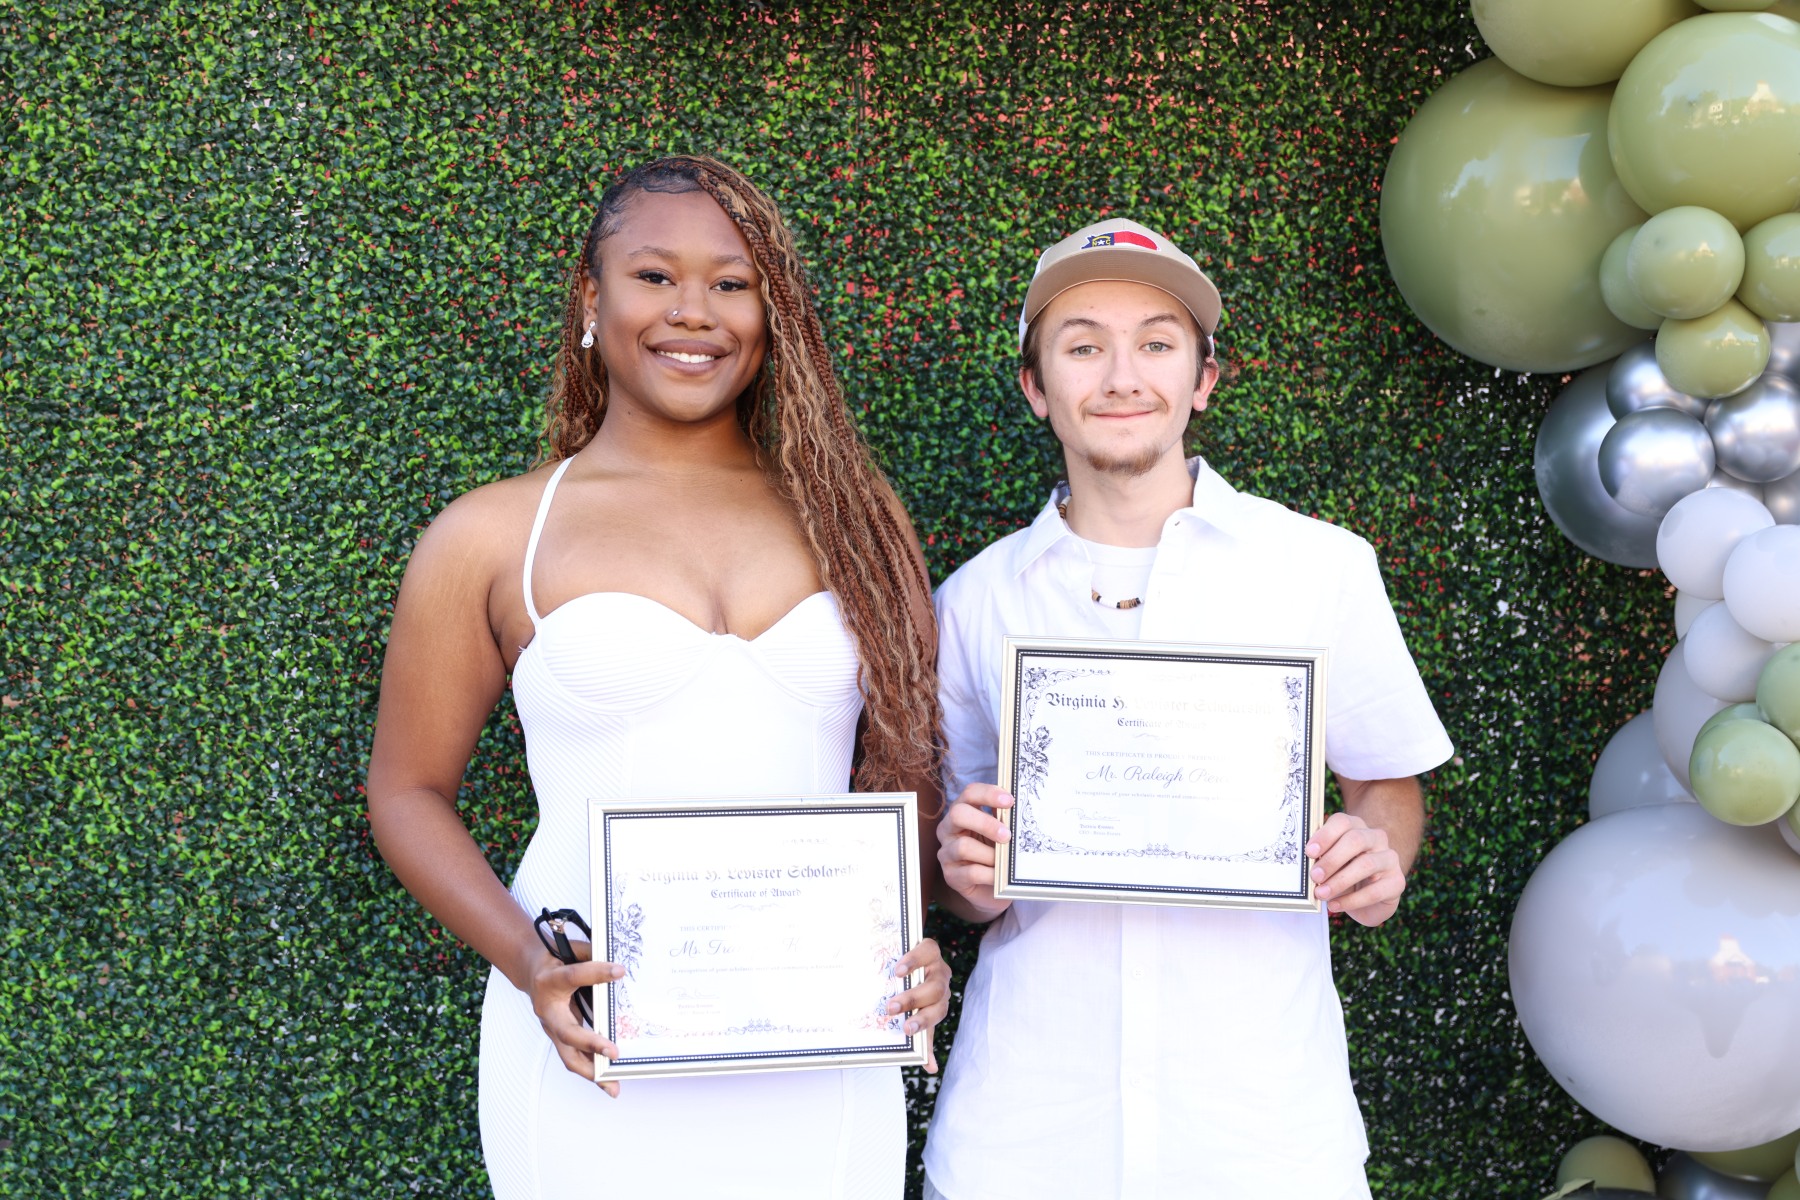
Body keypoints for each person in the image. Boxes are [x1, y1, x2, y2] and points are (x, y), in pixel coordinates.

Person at [366, 154, 951, 1200]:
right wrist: (531, 963)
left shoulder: (856, 522)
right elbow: (406, 792)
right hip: (594, 1039)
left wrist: (914, 946)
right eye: (654, 276)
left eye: (732, 283)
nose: (694, 311)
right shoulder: (496, 534)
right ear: (592, 299)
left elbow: (900, 775)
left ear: (774, 314)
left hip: (819, 1052)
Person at [922, 219, 1454, 1199]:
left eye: (1157, 344)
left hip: (1261, 1133)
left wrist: (1375, 859)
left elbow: (1387, 783)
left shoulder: (1321, 569)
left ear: (1204, 378)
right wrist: (966, 875)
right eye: (1084, 347)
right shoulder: (973, 601)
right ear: (1037, 385)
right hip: (1027, 1134)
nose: (1122, 377)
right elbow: (963, 871)